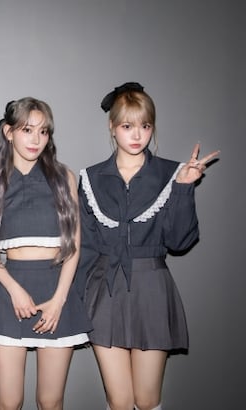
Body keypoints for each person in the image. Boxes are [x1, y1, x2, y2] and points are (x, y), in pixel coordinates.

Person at [78, 82, 220, 410]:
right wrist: (76, 302)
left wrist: (184, 188)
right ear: (112, 127)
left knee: (146, 399)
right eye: (127, 126)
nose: (137, 135)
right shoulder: (91, 178)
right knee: (120, 401)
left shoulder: (172, 174)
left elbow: (180, 241)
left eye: (145, 126)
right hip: (104, 292)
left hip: (152, 289)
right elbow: (85, 247)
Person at [0, 98, 91, 410]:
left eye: (43, 131)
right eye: (27, 130)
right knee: (9, 402)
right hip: (10, 293)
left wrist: (59, 300)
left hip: (57, 292)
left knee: (50, 401)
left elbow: (74, 246)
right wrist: (13, 288)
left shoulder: (64, 177)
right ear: (9, 132)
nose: (36, 139)